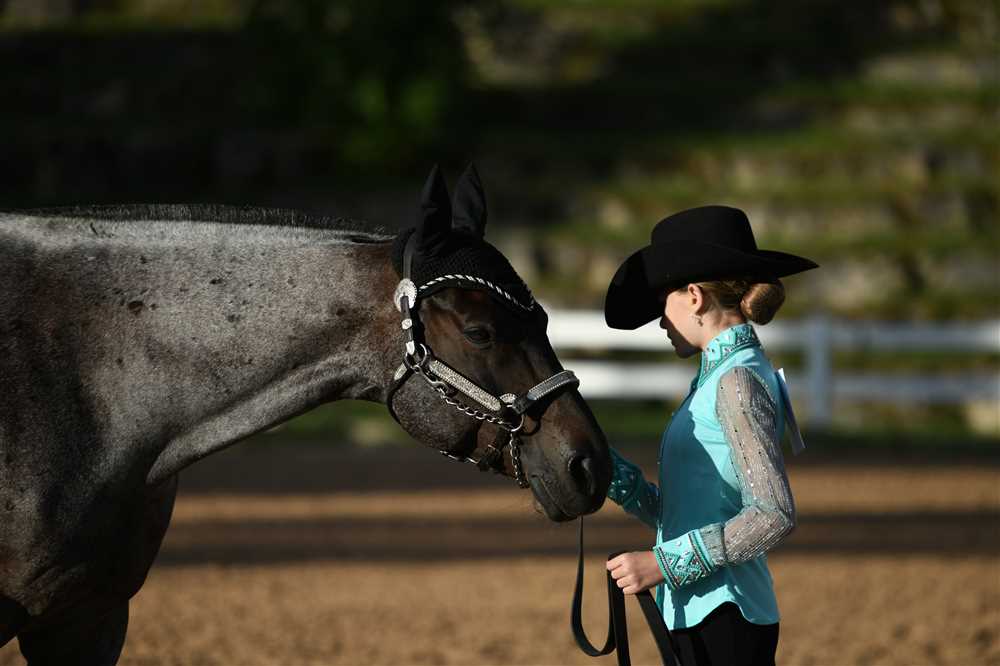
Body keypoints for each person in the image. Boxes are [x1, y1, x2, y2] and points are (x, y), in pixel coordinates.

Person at [601, 205, 818, 666]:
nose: (661, 321)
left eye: (663, 303)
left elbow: (773, 514)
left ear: (695, 296)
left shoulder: (736, 382)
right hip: (702, 614)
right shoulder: (719, 377)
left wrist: (662, 564)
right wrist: (613, 475)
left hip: (726, 617)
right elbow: (690, 514)